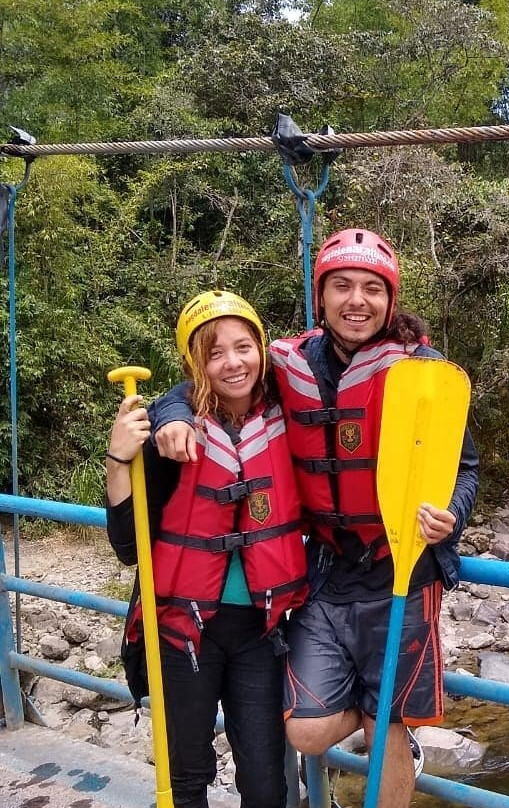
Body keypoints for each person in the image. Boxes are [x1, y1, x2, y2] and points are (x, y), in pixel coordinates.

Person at [150, 228, 479, 808]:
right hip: (325, 569)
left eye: (372, 289)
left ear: (390, 299)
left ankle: (393, 716)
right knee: (303, 729)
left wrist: (450, 513)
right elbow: (216, 381)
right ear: (320, 296)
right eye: (342, 286)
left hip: (400, 566)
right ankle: (383, 705)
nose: (357, 300)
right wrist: (170, 411)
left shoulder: (421, 371)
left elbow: (466, 468)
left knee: (391, 725)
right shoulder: (287, 365)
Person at [105, 290, 309, 808]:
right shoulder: (170, 434)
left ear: (261, 349)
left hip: (259, 632)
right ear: (195, 363)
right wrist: (117, 458)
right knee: (187, 776)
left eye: (243, 347)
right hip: (184, 632)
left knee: (266, 783)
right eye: (214, 353)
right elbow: (129, 546)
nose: (233, 363)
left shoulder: (290, 419)